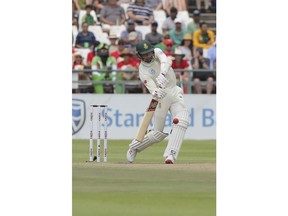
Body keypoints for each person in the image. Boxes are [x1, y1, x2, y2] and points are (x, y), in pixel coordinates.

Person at [126, 40, 189, 164]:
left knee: (182, 121)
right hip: (162, 98)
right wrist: (157, 92)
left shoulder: (157, 52)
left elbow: (167, 61)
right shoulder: (142, 70)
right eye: (145, 54)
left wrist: (163, 73)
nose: (148, 56)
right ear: (139, 55)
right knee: (157, 134)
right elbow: (152, 90)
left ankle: (171, 155)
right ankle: (135, 147)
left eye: (149, 53)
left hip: (174, 91)